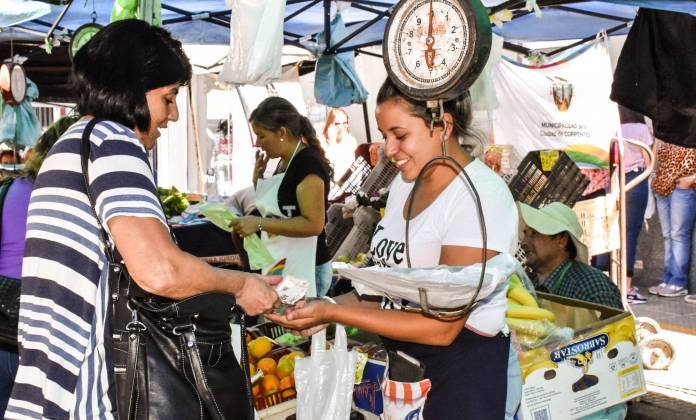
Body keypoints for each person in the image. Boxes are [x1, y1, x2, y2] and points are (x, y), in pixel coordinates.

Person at [5, 20, 280, 419]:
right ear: (132, 88)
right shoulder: (112, 142)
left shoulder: (75, 142)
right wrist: (240, 285)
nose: (173, 115)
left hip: (53, 386)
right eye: (169, 97)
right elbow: (160, 271)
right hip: (89, 393)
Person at [269, 78, 519, 419]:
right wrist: (319, 306)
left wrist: (332, 313)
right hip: (407, 372)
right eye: (385, 135)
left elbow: (442, 327)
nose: (388, 149)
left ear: (443, 127)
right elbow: (381, 290)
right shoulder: (404, 184)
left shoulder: (479, 197)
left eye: (399, 135)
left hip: (460, 378)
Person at [231, 97, 334, 297]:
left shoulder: (308, 164)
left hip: (307, 267)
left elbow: (314, 224)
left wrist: (259, 224)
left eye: (261, 136)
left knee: (298, 316)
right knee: (284, 316)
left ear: (282, 133)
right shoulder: (284, 162)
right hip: (284, 262)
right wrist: (257, 180)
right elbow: (281, 207)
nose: (258, 144)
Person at [593, 106, 654, 304]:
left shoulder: (609, 127)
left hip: (611, 179)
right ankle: (626, 288)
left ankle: (602, 281)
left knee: (607, 230)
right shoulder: (640, 128)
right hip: (635, 179)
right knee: (629, 233)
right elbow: (648, 160)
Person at [519, 202, 623, 309]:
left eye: (534, 233)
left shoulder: (590, 287)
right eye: (525, 234)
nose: (523, 243)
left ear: (562, 240)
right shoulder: (525, 282)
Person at [648, 141, 696, 298]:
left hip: (683, 186)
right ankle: (668, 277)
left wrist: (692, 179)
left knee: (678, 234)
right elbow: (656, 146)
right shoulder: (667, 129)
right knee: (668, 234)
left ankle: (678, 281)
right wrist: (653, 174)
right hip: (662, 183)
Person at [322, 107, 358, 179]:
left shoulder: (351, 141)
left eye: (345, 123)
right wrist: (332, 142)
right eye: (337, 124)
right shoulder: (322, 143)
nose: (341, 127)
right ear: (329, 125)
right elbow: (330, 169)